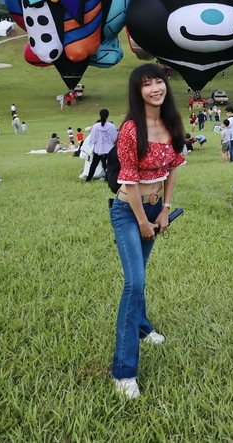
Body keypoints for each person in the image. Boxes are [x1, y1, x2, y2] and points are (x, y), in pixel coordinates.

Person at [110, 63, 186, 399]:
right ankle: (123, 372)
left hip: (156, 210)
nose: (155, 88)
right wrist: (143, 221)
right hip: (129, 211)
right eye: (147, 84)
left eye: (159, 81)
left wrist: (165, 211)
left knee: (142, 275)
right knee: (134, 282)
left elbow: (171, 170)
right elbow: (128, 179)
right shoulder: (130, 129)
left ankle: (142, 327)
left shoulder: (170, 124)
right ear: (137, 91)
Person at [86, 110, 119, 183]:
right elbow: (115, 138)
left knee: (94, 165)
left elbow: (92, 140)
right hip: (109, 150)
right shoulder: (112, 126)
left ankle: (88, 178)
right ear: (108, 116)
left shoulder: (95, 126)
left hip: (98, 149)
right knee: (109, 165)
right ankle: (108, 178)